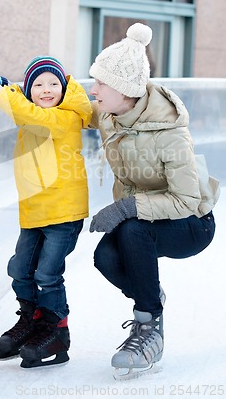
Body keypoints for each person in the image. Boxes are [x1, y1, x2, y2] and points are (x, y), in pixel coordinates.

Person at [88, 23, 220, 379]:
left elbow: (186, 200)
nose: (94, 89)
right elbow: (65, 109)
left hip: (192, 223)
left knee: (132, 230)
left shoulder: (172, 135)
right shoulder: (109, 115)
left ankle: (149, 328)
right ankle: (151, 297)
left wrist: (124, 207)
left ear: (125, 90)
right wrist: (19, 91)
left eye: (101, 83)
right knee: (105, 257)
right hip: (145, 219)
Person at [0, 56, 92, 368]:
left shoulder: (67, 116)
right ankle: (32, 321)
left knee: (48, 275)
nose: (47, 89)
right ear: (29, 90)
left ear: (64, 88)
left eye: (53, 83)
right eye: (38, 84)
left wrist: (1, 90)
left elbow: (28, 113)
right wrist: (2, 89)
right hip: (35, 208)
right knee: (19, 270)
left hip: (64, 211)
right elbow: (23, 109)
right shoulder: (28, 110)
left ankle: (57, 331)